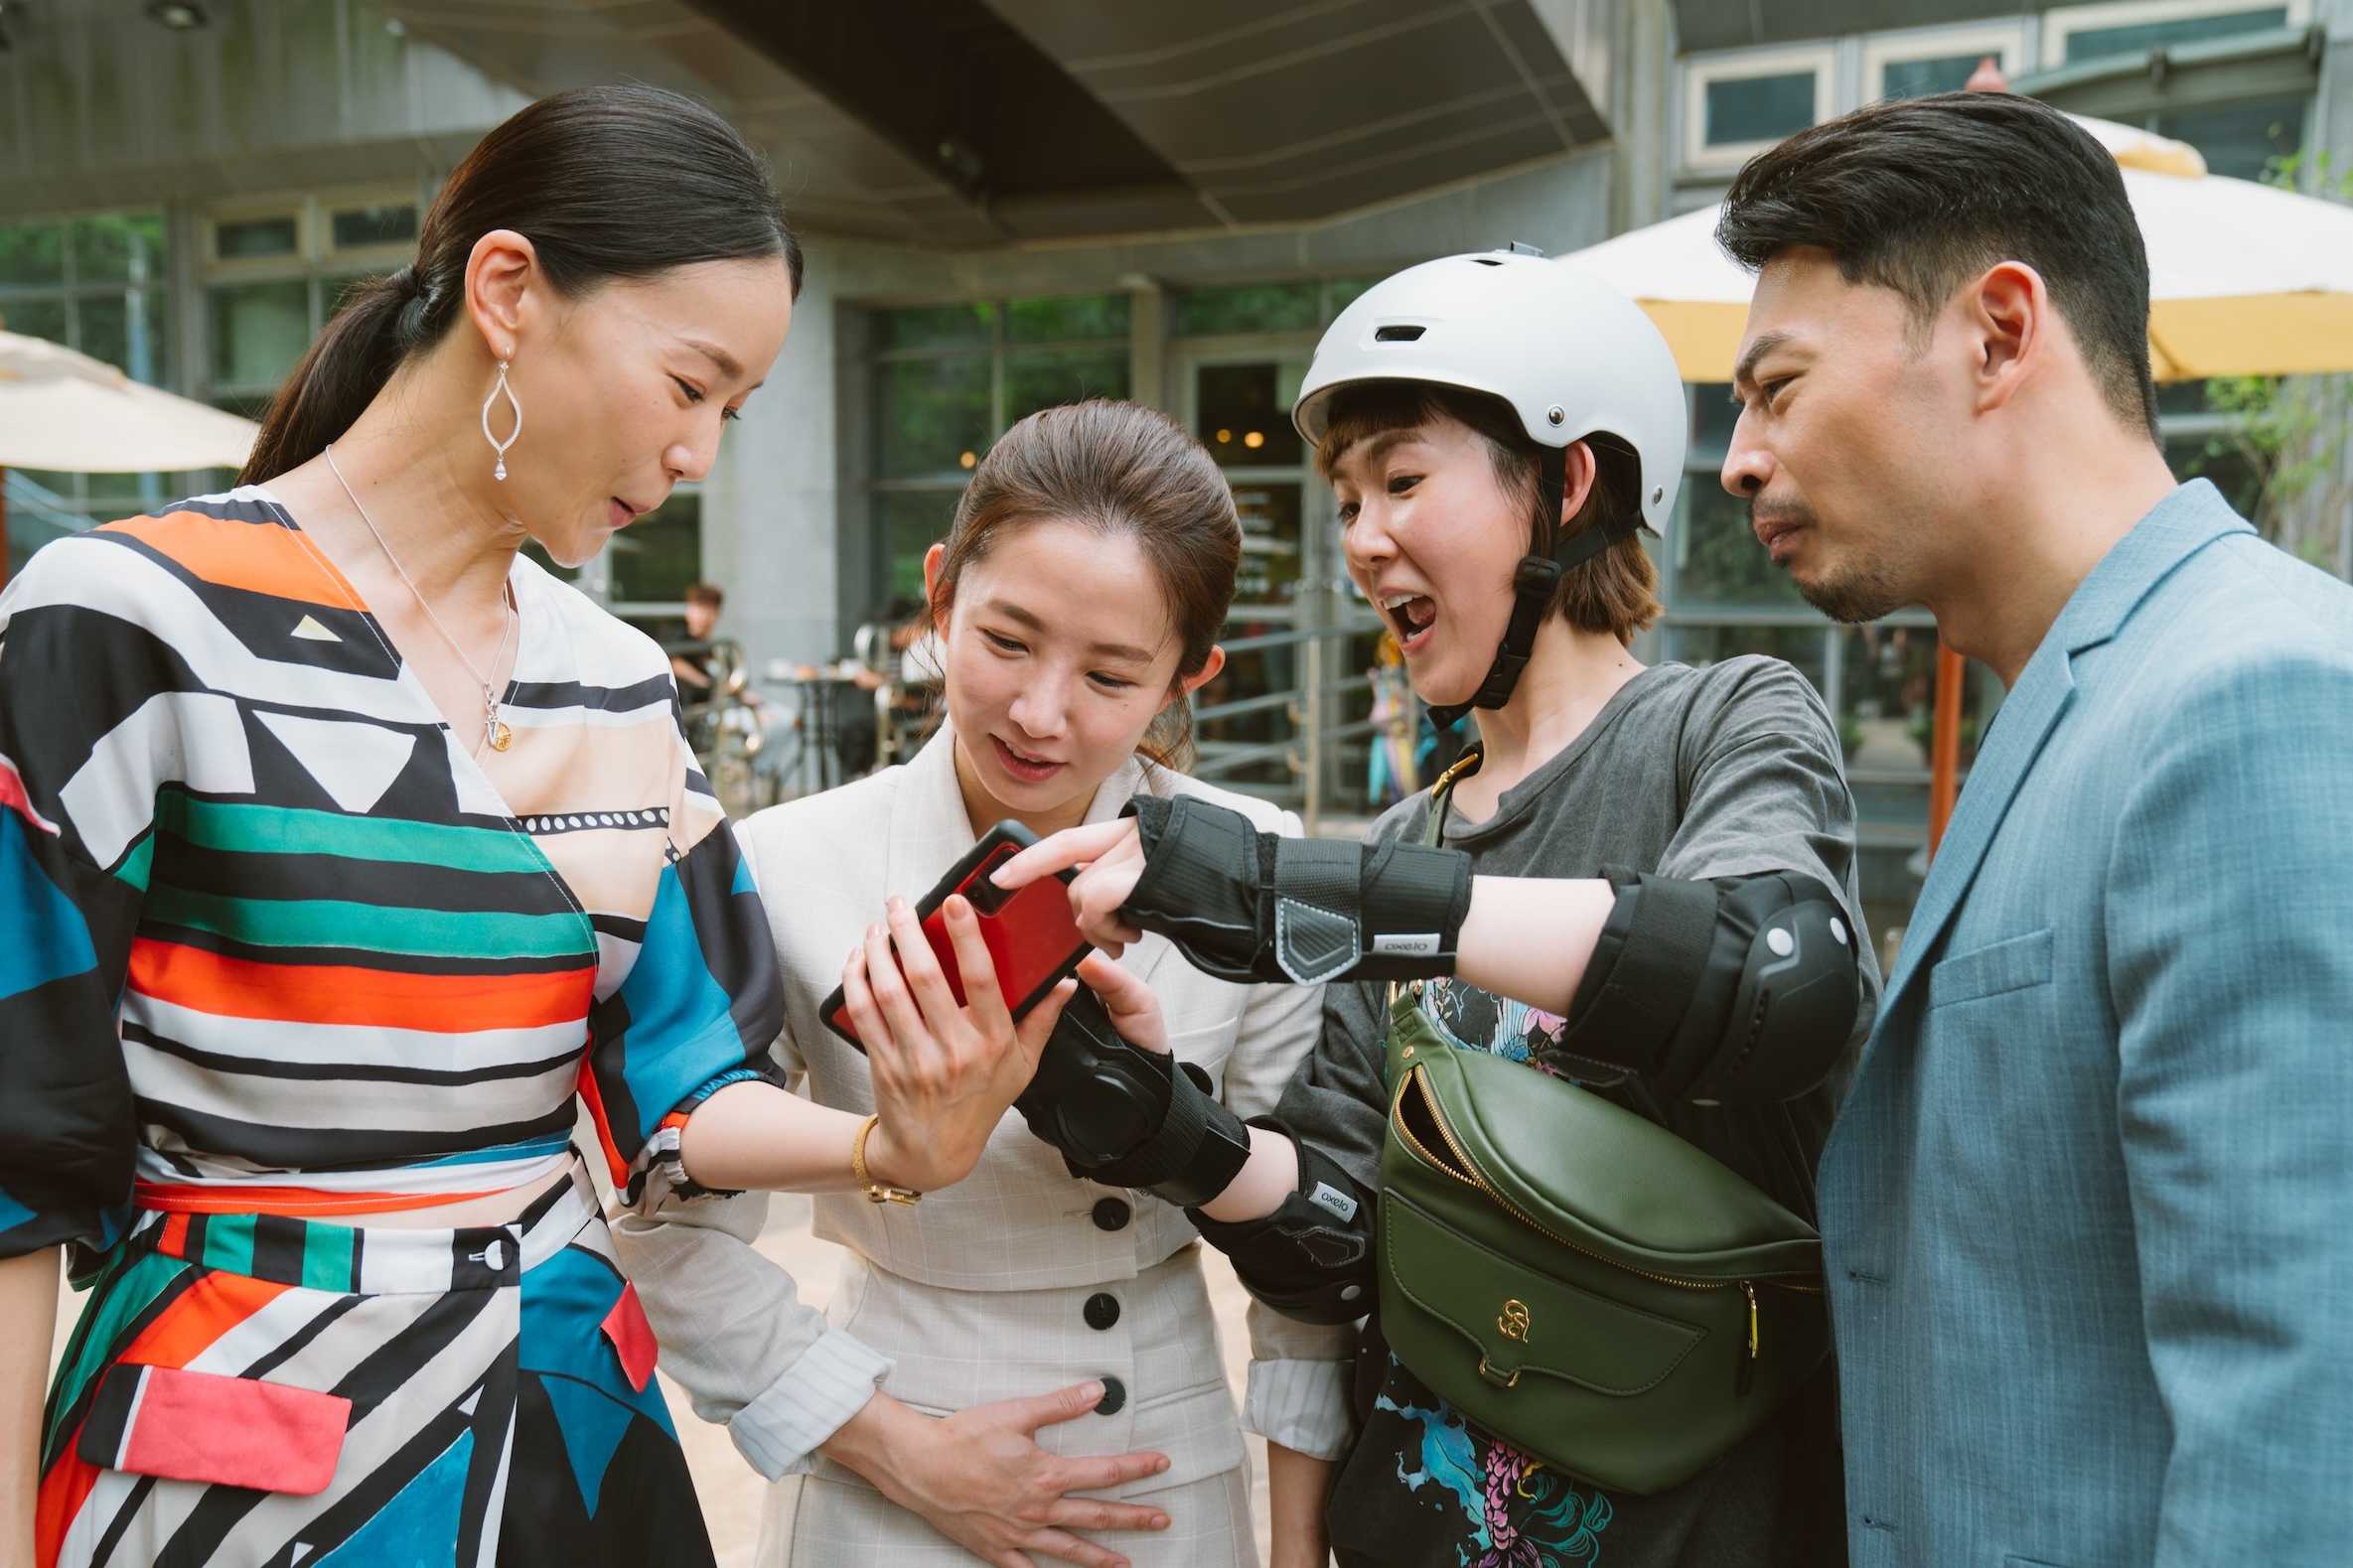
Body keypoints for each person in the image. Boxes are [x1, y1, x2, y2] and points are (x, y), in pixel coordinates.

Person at [0, 86, 1060, 1568]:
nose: (700, 451)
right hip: (234, 1454)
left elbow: (682, 1079)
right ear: (508, 292)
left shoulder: (618, 678)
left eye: (732, 413)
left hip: (565, 1424)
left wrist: (896, 1142)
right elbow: (16, 1146)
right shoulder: (129, 616)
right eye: (690, 385)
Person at [996, 253, 1880, 1566]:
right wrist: (1154, 1118)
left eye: (1402, 480)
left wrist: (1299, 890)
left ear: (1569, 487)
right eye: (1346, 498)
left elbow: (1774, 980)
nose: (1358, 536)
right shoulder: (1410, 841)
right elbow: (1339, 1240)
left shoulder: (1725, 722)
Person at [1706, 92, 2353, 1564]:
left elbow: (2301, 1426)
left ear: (1999, 333)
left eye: (1778, 384)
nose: (1739, 457)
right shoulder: (2092, 692)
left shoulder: (2250, 700)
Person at [615, 401, 1356, 1568]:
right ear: (939, 595)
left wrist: (1297, 1549)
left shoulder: (1254, 865)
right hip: (888, 1469)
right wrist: (892, 1444)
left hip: (1164, 1480)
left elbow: (1297, 1257)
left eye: (1112, 674)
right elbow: (660, 1218)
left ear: (1189, 675)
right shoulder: (783, 859)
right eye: (1006, 640)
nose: (1039, 712)